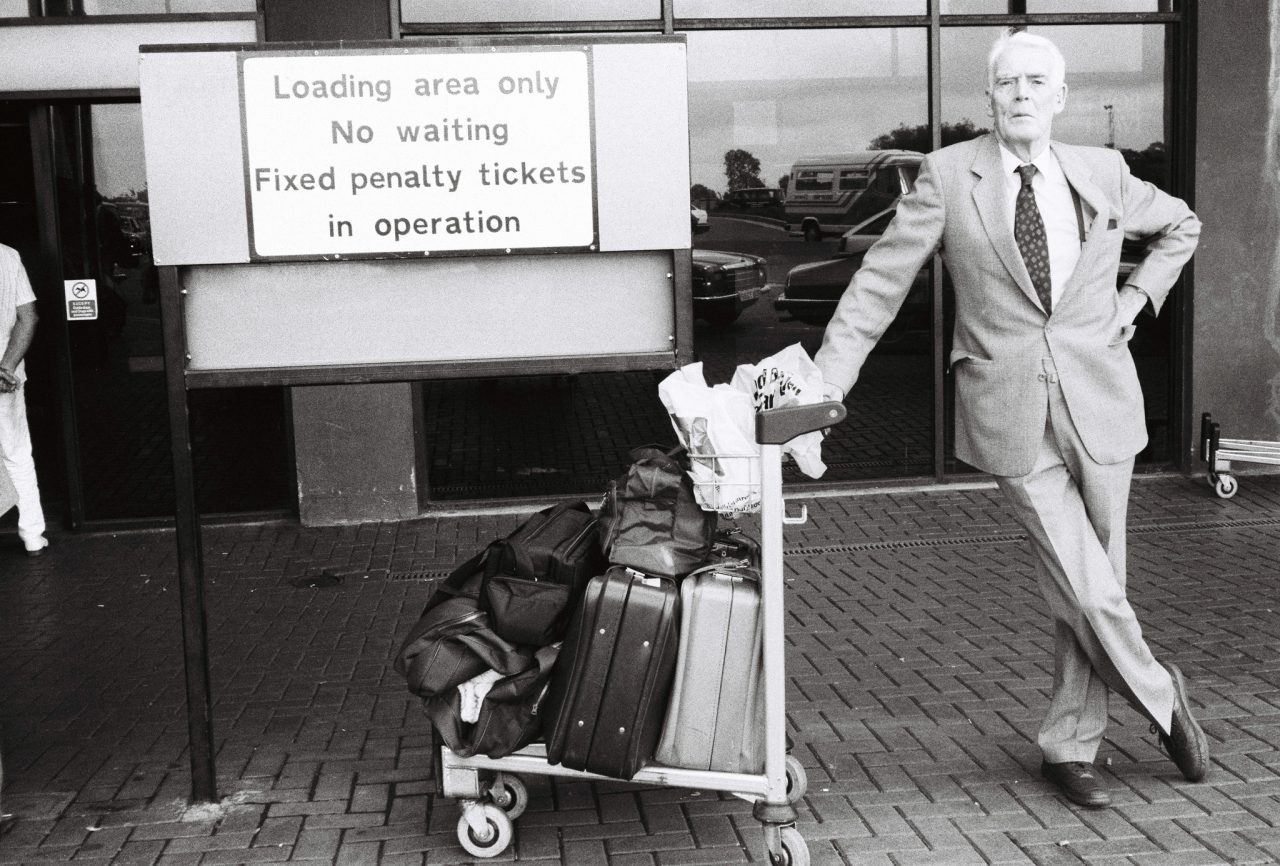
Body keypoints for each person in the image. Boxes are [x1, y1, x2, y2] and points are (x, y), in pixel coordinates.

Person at [814, 29, 1206, 808]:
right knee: (1085, 580)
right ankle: (1162, 696)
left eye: (1037, 81)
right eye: (1007, 82)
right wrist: (824, 392)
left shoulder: (1104, 170)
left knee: (1094, 583)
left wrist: (1135, 300)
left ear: (1059, 97)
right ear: (988, 98)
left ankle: (1072, 745)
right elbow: (877, 287)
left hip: (1102, 402)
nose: (1021, 93)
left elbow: (1182, 226)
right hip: (1008, 410)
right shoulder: (947, 177)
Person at [0, 242, 48, 557]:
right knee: (17, 452)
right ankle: (32, 535)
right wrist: (5, 366)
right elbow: (28, 317)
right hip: (6, 375)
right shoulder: (7, 255)